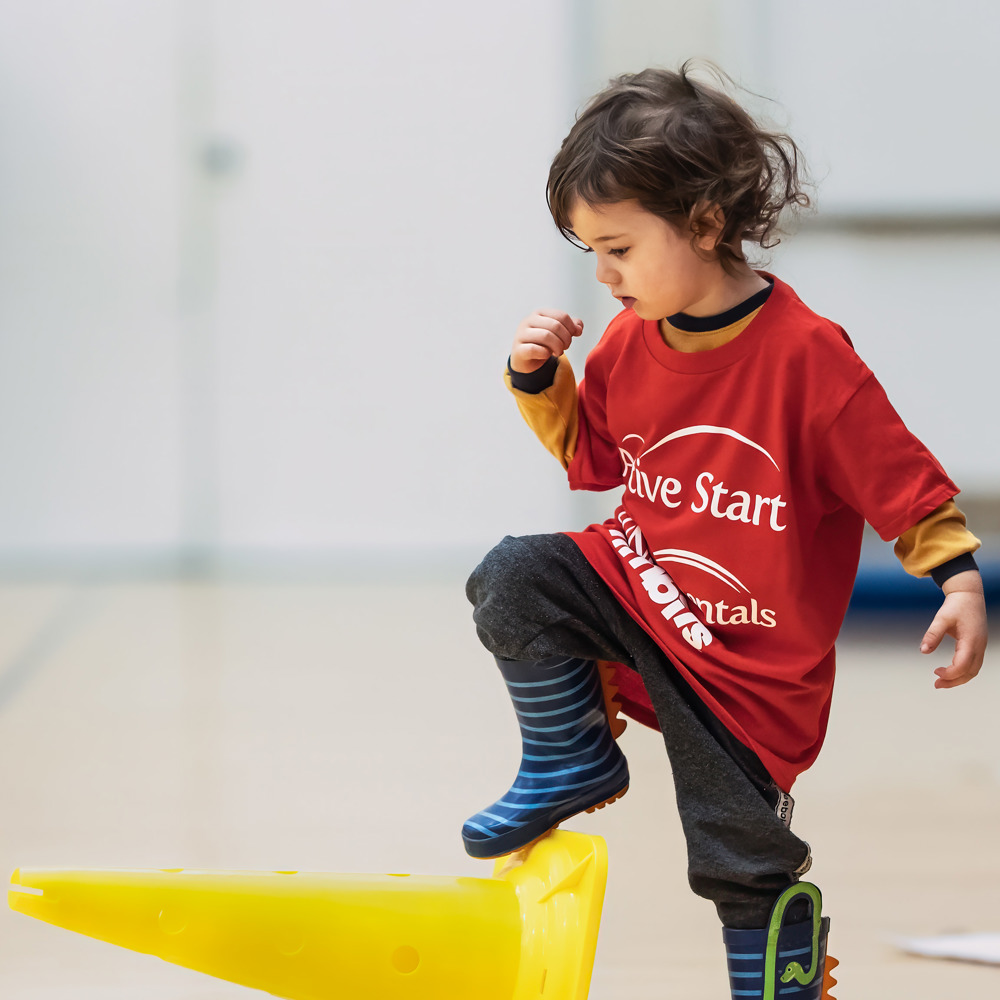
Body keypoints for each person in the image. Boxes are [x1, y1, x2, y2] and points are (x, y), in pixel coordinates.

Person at [460, 64, 988, 999]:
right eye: (590, 251)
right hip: (638, 594)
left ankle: (780, 975)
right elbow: (595, 458)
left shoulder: (806, 357)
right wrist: (541, 381)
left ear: (705, 221)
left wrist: (955, 578)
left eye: (618, 247)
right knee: (516, 576)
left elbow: (893, 474)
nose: (602, 274)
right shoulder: (628, 339)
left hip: (747, 668)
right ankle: (569, 753)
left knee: (738, 852)